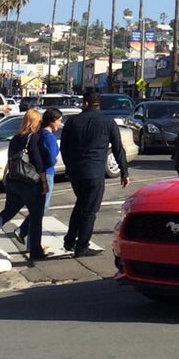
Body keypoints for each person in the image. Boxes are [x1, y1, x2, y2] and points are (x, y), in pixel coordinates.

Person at [0, 108, 52, 265]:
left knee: (8, 211)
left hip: (13, 180)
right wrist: (44, 181)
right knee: (36, 216)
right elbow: (37, 161)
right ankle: (35, 251)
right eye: (40, 121)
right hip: (29, 182)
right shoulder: (33, 138)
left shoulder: (16, 138)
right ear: (36, 122)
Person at [59, 90, 129, 257]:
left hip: (76, 171)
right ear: (98, 105)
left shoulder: (73, 121)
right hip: (94, 171)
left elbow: (64, 147)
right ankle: (81, 246)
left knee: (82, 203)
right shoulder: (108, 122)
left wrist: (69, 166)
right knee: (89, 210)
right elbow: (118, 148)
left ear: (85, 103)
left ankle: (70, 240)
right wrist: (124, 171)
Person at [14, 107, 62, 251]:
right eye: (59, 121)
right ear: (52, 122)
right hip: (47, 173)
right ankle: (26, 236)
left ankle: (28, 237)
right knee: (41, 208)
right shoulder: (49, 137)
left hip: (38, 173)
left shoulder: (39, 133)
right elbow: (52, 158)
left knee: (39, 208)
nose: (60, 124)